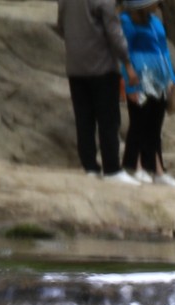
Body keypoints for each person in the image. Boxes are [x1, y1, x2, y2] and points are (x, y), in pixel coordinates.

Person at [55, 0, 135, 183]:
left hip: (75, 67)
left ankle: (90, 166)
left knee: (84, 119)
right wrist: (127, 62)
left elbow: (61, 26)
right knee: (108, 119)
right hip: (102, 67)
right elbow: (114, 34)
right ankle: (112, 168)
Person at [118, 0, 175, 187]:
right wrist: (129, 85)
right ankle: (135, 166)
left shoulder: (155, 22)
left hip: (160, 78)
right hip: (140, 78)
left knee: (155, 124)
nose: (157, 4)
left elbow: (164, 51)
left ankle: (157, 170)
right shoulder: (127, 22)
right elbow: (124, 52)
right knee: (139, 122)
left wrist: (172, 78)